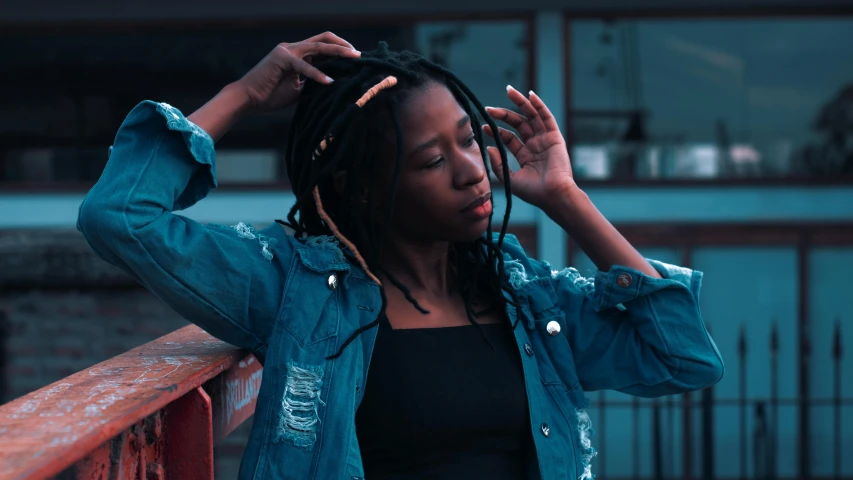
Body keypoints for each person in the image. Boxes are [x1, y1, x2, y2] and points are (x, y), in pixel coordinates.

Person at [77, 32, 724, 480]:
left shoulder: (526, 297)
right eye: (433, 160)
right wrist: (244, 93)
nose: (473, 173)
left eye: (469, 139)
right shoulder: (299, 290)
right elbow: (120, 217)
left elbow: (682, 356)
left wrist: (562, 196)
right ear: (365, 187)